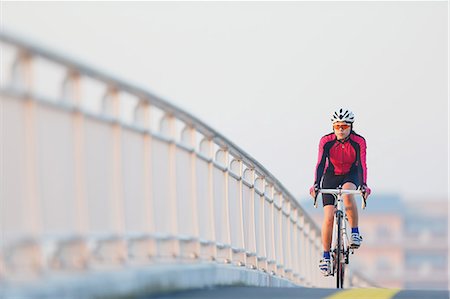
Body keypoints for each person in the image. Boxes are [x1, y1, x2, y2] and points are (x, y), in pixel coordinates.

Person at [309, 108, 371, 276]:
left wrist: (364, 185)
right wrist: (315, 185)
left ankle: (355, 232)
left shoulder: (359, 141)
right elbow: (320, 164)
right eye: (337, 126)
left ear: (351, 126)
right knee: (328, 217)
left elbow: (362, 164)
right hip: (331, 175)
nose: (340, 130)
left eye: (344, 126)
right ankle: (326, 256)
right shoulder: (326, 141)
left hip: (351, 174)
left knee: (347, 193)